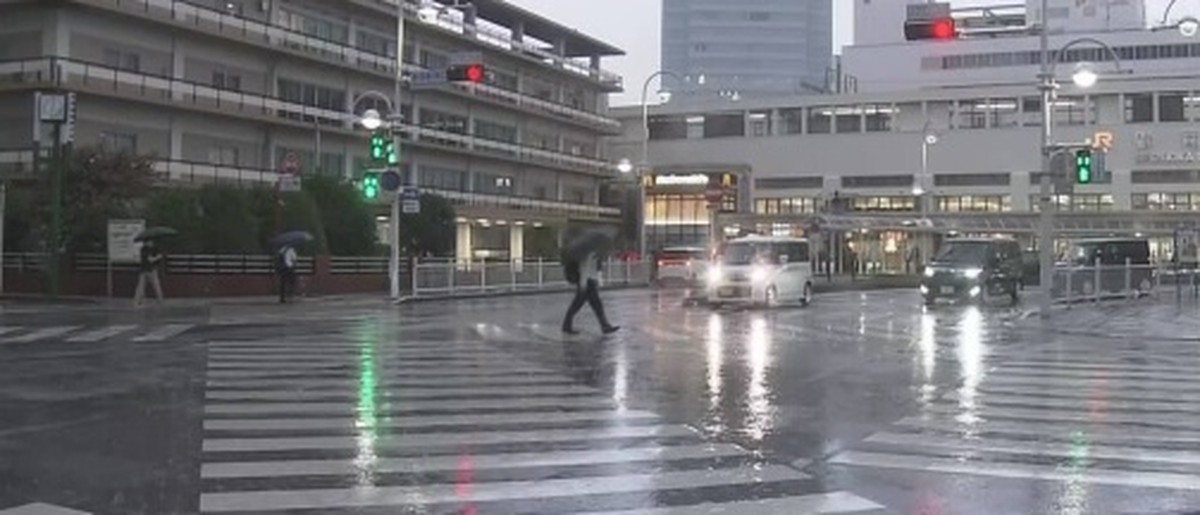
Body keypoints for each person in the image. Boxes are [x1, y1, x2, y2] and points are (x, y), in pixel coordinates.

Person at [562, 250, 619, 335]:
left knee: (595, 305)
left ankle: (605, 326)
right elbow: (584, 268)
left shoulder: (594, 253)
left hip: (590, 282)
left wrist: (597, 280)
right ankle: (605, 326)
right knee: (578, 305)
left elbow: (594, 268)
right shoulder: (588, 253)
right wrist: (583, 283)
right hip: (587, 283)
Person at [133, 240, 164, 307]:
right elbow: (150, 260)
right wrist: (157, 257)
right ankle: (138, 301)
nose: (151, 243)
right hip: (148, 270)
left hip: (148, 270)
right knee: (151, 286)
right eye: (150, 242)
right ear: (146, 243)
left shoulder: (153, 249)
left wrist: (158, 257)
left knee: (146, 286)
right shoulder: (144, 250)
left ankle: (138, 301)